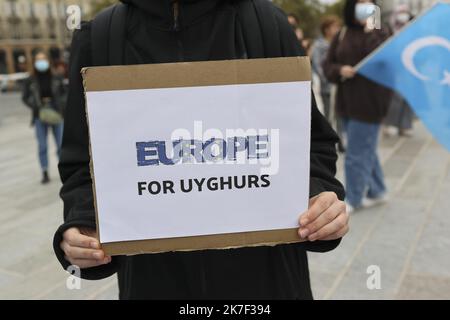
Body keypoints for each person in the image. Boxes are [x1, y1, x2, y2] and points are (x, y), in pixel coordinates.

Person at [53, 0, 349, 300]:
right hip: (153, 278)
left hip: (266, 276)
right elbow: (81, 161)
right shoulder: (101, 36)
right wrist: (84, 224)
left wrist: (318, 197)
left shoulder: (265, 23)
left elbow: (311, 141)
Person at [323, 0, 392, 213]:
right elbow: (328, 64)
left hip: (370, 103)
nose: (364, 5)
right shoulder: (343, 33)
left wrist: (371, 29)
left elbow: (382, 59)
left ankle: (353, 198)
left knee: (355, 153)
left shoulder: (381, 31)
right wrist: (340, 70)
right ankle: (378, 190)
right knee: (364, 148)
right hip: (346, 102)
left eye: (368, 2)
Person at [22, 50, 66, 184]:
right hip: (39, 114)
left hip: (56, 112)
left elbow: (65, 94)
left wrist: (61, 106)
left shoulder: (56, 77)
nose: (41, 62)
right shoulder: (30, 79)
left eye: (43, 59)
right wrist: (35, 105)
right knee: (42, 145)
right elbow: (25, 97)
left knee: (60, 145)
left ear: (48, 61)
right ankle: (45, 171)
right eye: (38, 60)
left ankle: (64, 171)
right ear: (35, 63)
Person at [383, 5, 415, 137]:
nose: (403, 15)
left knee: (409, 96)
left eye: (405, 12)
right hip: (394, 68)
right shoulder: (389, 31)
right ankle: (390, 124)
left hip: (410, 68)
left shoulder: (413, 30)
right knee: (395, 97)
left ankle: (405, 125)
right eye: (401, 13)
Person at [312, 15, 342, 122]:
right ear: (326, 29)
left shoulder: (340, 44)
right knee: (328, 114)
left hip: (340, 86)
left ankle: (340, 138)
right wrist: (327, 78)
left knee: (339, 116)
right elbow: (317, 65)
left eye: (338, 27)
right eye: (334, 27)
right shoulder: (319, 45)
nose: (337, 29)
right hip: (326, 87)